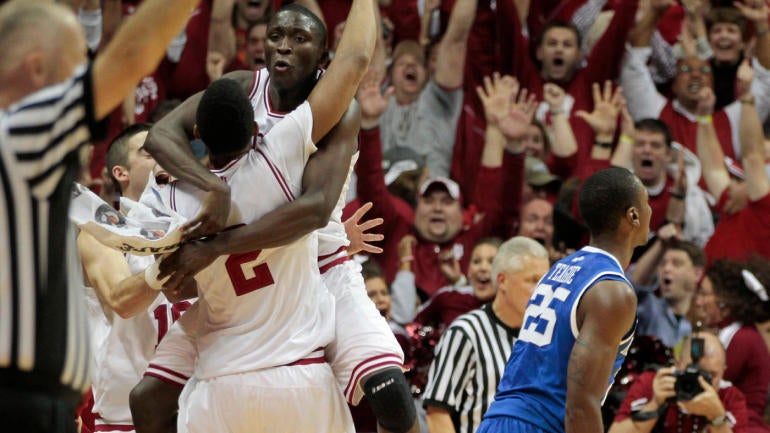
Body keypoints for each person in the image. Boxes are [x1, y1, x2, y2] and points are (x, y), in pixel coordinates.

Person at [137, 3, 419, 433]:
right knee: (149, 398)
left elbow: (316, 208)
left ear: (323, 56)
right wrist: (213, 186)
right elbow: (162, 134)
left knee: (393, 396)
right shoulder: (240, 89)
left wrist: (208, 243)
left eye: (299, 39)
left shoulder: (338, 107)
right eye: (275, 36)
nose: (283, 47)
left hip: (322, 262)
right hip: (255, 274)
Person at [0, 0, 207, 431]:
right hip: (21, 397)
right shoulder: (21, 134)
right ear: (38, 68)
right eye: (79, 61)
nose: (87, 74)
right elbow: (132, 57)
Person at [478, 166, 652, 433]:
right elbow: (580, 405)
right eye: (647, 203)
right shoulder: (612, 291)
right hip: (540, 425)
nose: (651, 211)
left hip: (497, 420)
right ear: (633, 216)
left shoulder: (560, 269)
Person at [77, 125, 193, 433]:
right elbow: (121, 302)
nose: (163, 157)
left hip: (196, 408)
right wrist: (164, 266)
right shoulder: (99, 233)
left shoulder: (195, 224)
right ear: (121, 172)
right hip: (126, 418)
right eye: (148, 152)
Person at [422, 236, 550, 433]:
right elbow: (437, 413)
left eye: (546, 282)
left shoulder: (545, 336)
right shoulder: (466, 332)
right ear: (502, 281)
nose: (543, 292)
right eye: (533, 281)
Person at [608, 332, 749, 433]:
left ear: (724, 371)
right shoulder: (654, 382)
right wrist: (655, 405)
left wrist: (717, 418)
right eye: (692, 372)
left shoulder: (730, 397)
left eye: (711, 375)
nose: (700, 381)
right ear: (677, 364)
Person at [694, 258, 770, 433]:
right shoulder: (729, 332)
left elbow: (708, 382)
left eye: (704, 294)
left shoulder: (743, 338)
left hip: (744, 426)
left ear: (724, 300)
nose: (698, 302)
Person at [628, 232, 706, 349]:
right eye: (663, 264)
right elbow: (630, 286)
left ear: (697, 274)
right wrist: (661, 244)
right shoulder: (648, 308)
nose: (666, 269)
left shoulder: (706, 318)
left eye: (676, 263)